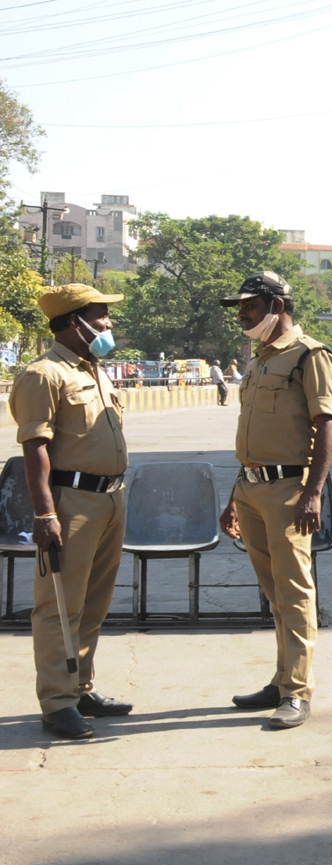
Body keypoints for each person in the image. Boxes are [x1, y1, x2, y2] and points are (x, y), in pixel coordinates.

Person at [9, 284, 131, 740]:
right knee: (59, 606)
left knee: (93, 605)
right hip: (70, 502)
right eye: (101, 316)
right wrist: (44, 515)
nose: (108, 324)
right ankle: (57, 703)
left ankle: (80, 686)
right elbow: (34, 447)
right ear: (73, 322)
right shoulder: (43, 374)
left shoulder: (94, 370)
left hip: (111, 497)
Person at [219, 271, 332, 730]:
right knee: (273, 593)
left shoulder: (309, 356)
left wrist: (313, 492)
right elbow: (254, 435)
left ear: (277, 305)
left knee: (294, 593)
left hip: (290, 490)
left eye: (248, 305)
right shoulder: (259, 360)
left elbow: (326, 422)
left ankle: (297, 692)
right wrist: (236, 494)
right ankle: (281, 678)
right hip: (251, 487)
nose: (242, 314)